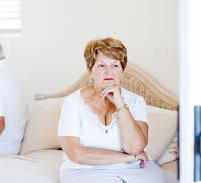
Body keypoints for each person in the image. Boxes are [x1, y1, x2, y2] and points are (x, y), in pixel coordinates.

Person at [58, 37, 168, 183]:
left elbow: (135, 148)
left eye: (115, 65)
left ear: (122, 70)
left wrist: (120, 104)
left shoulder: (136, 101)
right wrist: (128, 158)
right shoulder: (72, 102)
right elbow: (76, 154)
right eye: (101, 66)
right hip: (83, 171)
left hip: (134, 170)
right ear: (91, 70)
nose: (109, 72)